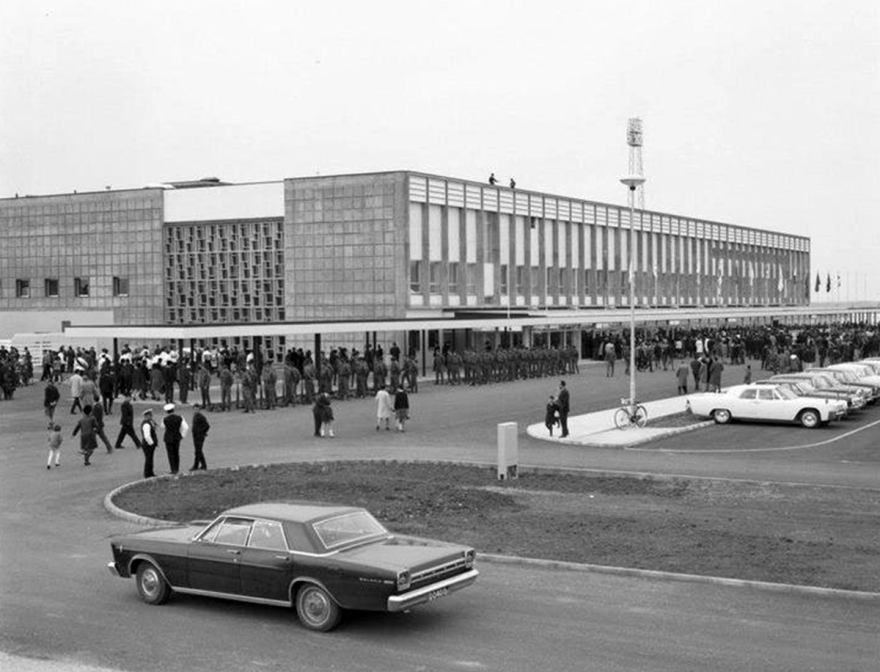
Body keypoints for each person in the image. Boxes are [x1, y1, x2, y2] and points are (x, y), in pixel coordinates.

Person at [162, 403, 188, 475]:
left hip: (168, 438)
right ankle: (177, 468)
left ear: (166, 411)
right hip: (177, 437)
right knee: (176, 453)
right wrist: (182, 435)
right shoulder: (180, 417)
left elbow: (162, 426)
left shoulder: (165, 419)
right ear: (173, 410)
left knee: (170, 454)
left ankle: (173, 469)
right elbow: (185, 427)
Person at [140, 409, 158, 479]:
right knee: (148, 459)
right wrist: (152, 443)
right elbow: (147, 436)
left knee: (150, 459)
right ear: (147, 416)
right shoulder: (146, 424)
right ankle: (147, 474)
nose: (152, 417)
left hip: (148, 444)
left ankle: (150, 472)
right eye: (150, 415)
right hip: (148, 445)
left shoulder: (149, 423)